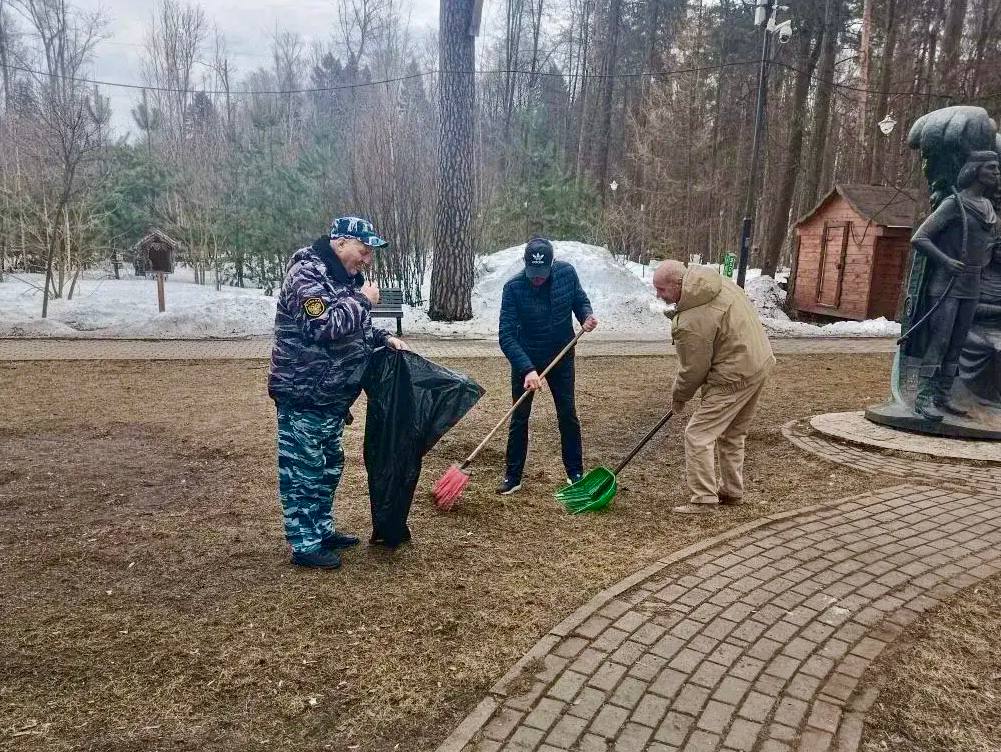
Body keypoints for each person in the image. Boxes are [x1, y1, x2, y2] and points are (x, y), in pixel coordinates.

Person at [268, 216, 409, 569]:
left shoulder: (343, 279)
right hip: (303, 394)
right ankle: (305, 544)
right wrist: (363, 300)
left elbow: (356, 329)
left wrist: (383, 338)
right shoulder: (306, 273)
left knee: (329, 467)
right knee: (303, 471)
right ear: (341, 242)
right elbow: (322, 325)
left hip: (332, 398)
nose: (367, 260)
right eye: (364, 251)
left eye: (371, 254)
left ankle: (321, 530)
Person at [653, 260, 774, 514]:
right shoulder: (716, 282)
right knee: (732, 433)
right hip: (759, 362)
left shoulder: (691, 321)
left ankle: (704, 499)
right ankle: (731, 491)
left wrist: (679, 397)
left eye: (661, 289)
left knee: (698, 435)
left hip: (734, 375)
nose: (658, 295)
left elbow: (693, 370)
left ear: (678, 283)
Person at [497, 238, 598, 494]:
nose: (538, 279)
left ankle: (575, 472)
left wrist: (586, 316)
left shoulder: (567, 274)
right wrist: (527, 369)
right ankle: (513, 476)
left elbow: (579, 300)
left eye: (542, 273)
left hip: (561, 357)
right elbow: (506, 336)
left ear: (552, 264)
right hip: (527, 359)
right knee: (519, 417)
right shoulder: (513, 288)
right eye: (533, 273)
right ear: (525, 264)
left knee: (567, 414)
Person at [908, 150, 1000, 421]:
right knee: (940, 340)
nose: (997, 173)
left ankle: (943, 395)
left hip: (973, 284)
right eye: (991, 168)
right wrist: (946, 261)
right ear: (975, 170)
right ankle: (923, 398)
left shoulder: (988, 207)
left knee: (957, 343)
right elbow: (920, 238)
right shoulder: (954, 203)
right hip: (946, 284)